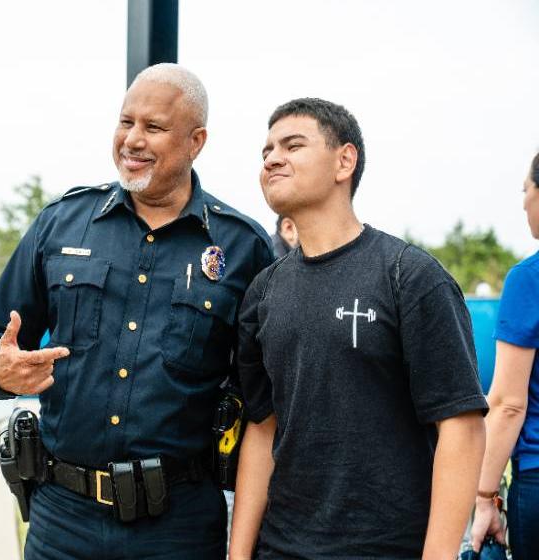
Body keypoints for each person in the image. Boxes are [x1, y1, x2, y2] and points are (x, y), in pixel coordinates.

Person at [0, 63, 273, 559]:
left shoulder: (241, 248)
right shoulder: (62, 223)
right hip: (61, 519)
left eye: (153, 128)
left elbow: (264, 403)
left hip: (178, 527)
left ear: (196, 141)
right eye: (125, 122)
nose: (132, 140)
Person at [229, 98, 488, 559]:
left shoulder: (409, 277)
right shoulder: (263, 292)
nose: (271, 158)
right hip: (282, 546)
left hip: (388, 548)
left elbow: (461, 428)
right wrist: (239, 553)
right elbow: (263, 427)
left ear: (344, 160)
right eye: (266, 150)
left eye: (293, 145)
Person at [470, 151, 539, 559]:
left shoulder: (528, 280)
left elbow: (508, 404)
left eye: (525, 190)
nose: (523, 203)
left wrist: (484, 497)